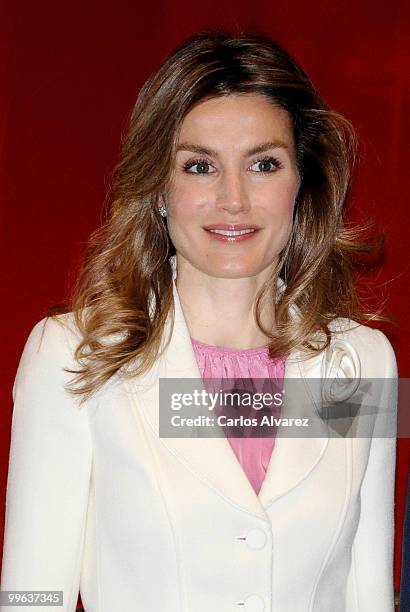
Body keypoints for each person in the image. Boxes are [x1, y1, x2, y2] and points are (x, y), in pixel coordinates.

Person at [0, 30, 398, 612]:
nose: (233, 199)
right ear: (159, 188)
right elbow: (31, 597)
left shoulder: (360, 363)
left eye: (263, 164)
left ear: (301, 184)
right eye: (199, 167)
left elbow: (367, 592)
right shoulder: (73, 355)